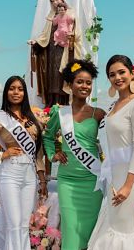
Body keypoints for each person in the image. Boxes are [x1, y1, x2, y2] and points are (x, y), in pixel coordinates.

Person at [0, 76, 48, 250]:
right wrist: (0, 154)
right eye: (12, 88)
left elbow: (38, 153)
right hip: (10, 173)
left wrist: (42, 179)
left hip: (30, 175)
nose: (16, 92)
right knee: (13, 224)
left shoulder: (33, 117)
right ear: (6, 92)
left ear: (24, 93)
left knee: (23, 224)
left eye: (20, 89)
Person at [88, 55, 134, 249]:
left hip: (130, 175)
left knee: (123, 231)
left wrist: (128, 185)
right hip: (114, 173)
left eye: (121, 72)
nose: (117, 77)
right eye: (112, 74)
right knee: (116, 227)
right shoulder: (113, 106)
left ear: (132, 73)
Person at [43, 59, 104, 250]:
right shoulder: (59, 113)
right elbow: (47, 137)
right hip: (68, 182)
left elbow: (114, 142)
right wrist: (53, 154)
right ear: (70, 85)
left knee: (91, 231)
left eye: (88, 82)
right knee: (70, 229)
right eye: (79, 81)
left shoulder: (98, 114)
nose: (84, 86)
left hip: (92, 182)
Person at [28, 0, 83, 107]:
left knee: (61, 73)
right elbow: (45, 34)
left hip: (64, 50)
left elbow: (77, 32)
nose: (54, 3)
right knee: (51, 74)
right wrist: (36, 42)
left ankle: (64, 102)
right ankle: (52, 102)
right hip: (51, 50)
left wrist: (72, 36)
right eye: (52, 1)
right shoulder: (52, 16)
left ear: (62, 0)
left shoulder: (70, 13)